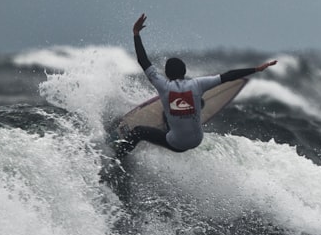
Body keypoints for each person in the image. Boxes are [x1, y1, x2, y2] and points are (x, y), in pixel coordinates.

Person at [116, 13, 277, 155]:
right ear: (185, 72)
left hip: (176, 144)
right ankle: (176, 122)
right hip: (197, 140)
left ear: (166, 74)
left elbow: (143, 61)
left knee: (138, 132)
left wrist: (136, 33)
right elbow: (229, 76)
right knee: (196, 101)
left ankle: (118, 160)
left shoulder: (163, 86)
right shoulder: (198, 84)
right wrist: (257, 68)